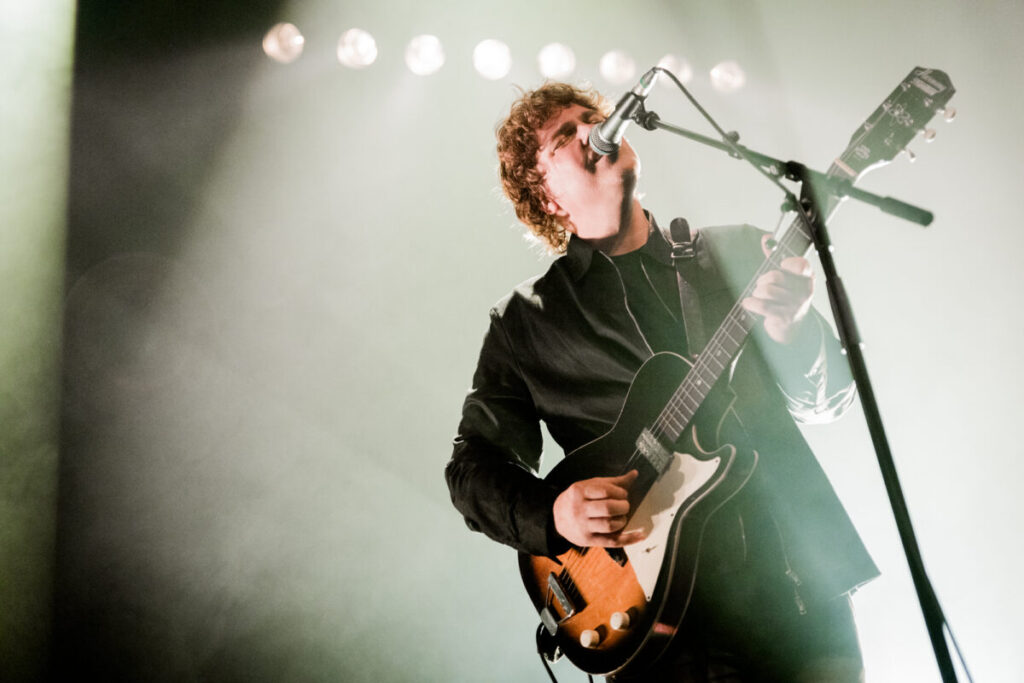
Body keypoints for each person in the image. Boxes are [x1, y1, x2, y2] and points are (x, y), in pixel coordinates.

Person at [444, 82, 879, 682]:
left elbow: (827, 400)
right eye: (564, 137)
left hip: (796, 578)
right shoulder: (527, 322)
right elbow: (471, 469)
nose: (593, 132)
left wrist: (792, 330)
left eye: (591, 119)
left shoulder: (731, 253)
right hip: (656, 624)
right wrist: (555, 513)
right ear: (545, 198)